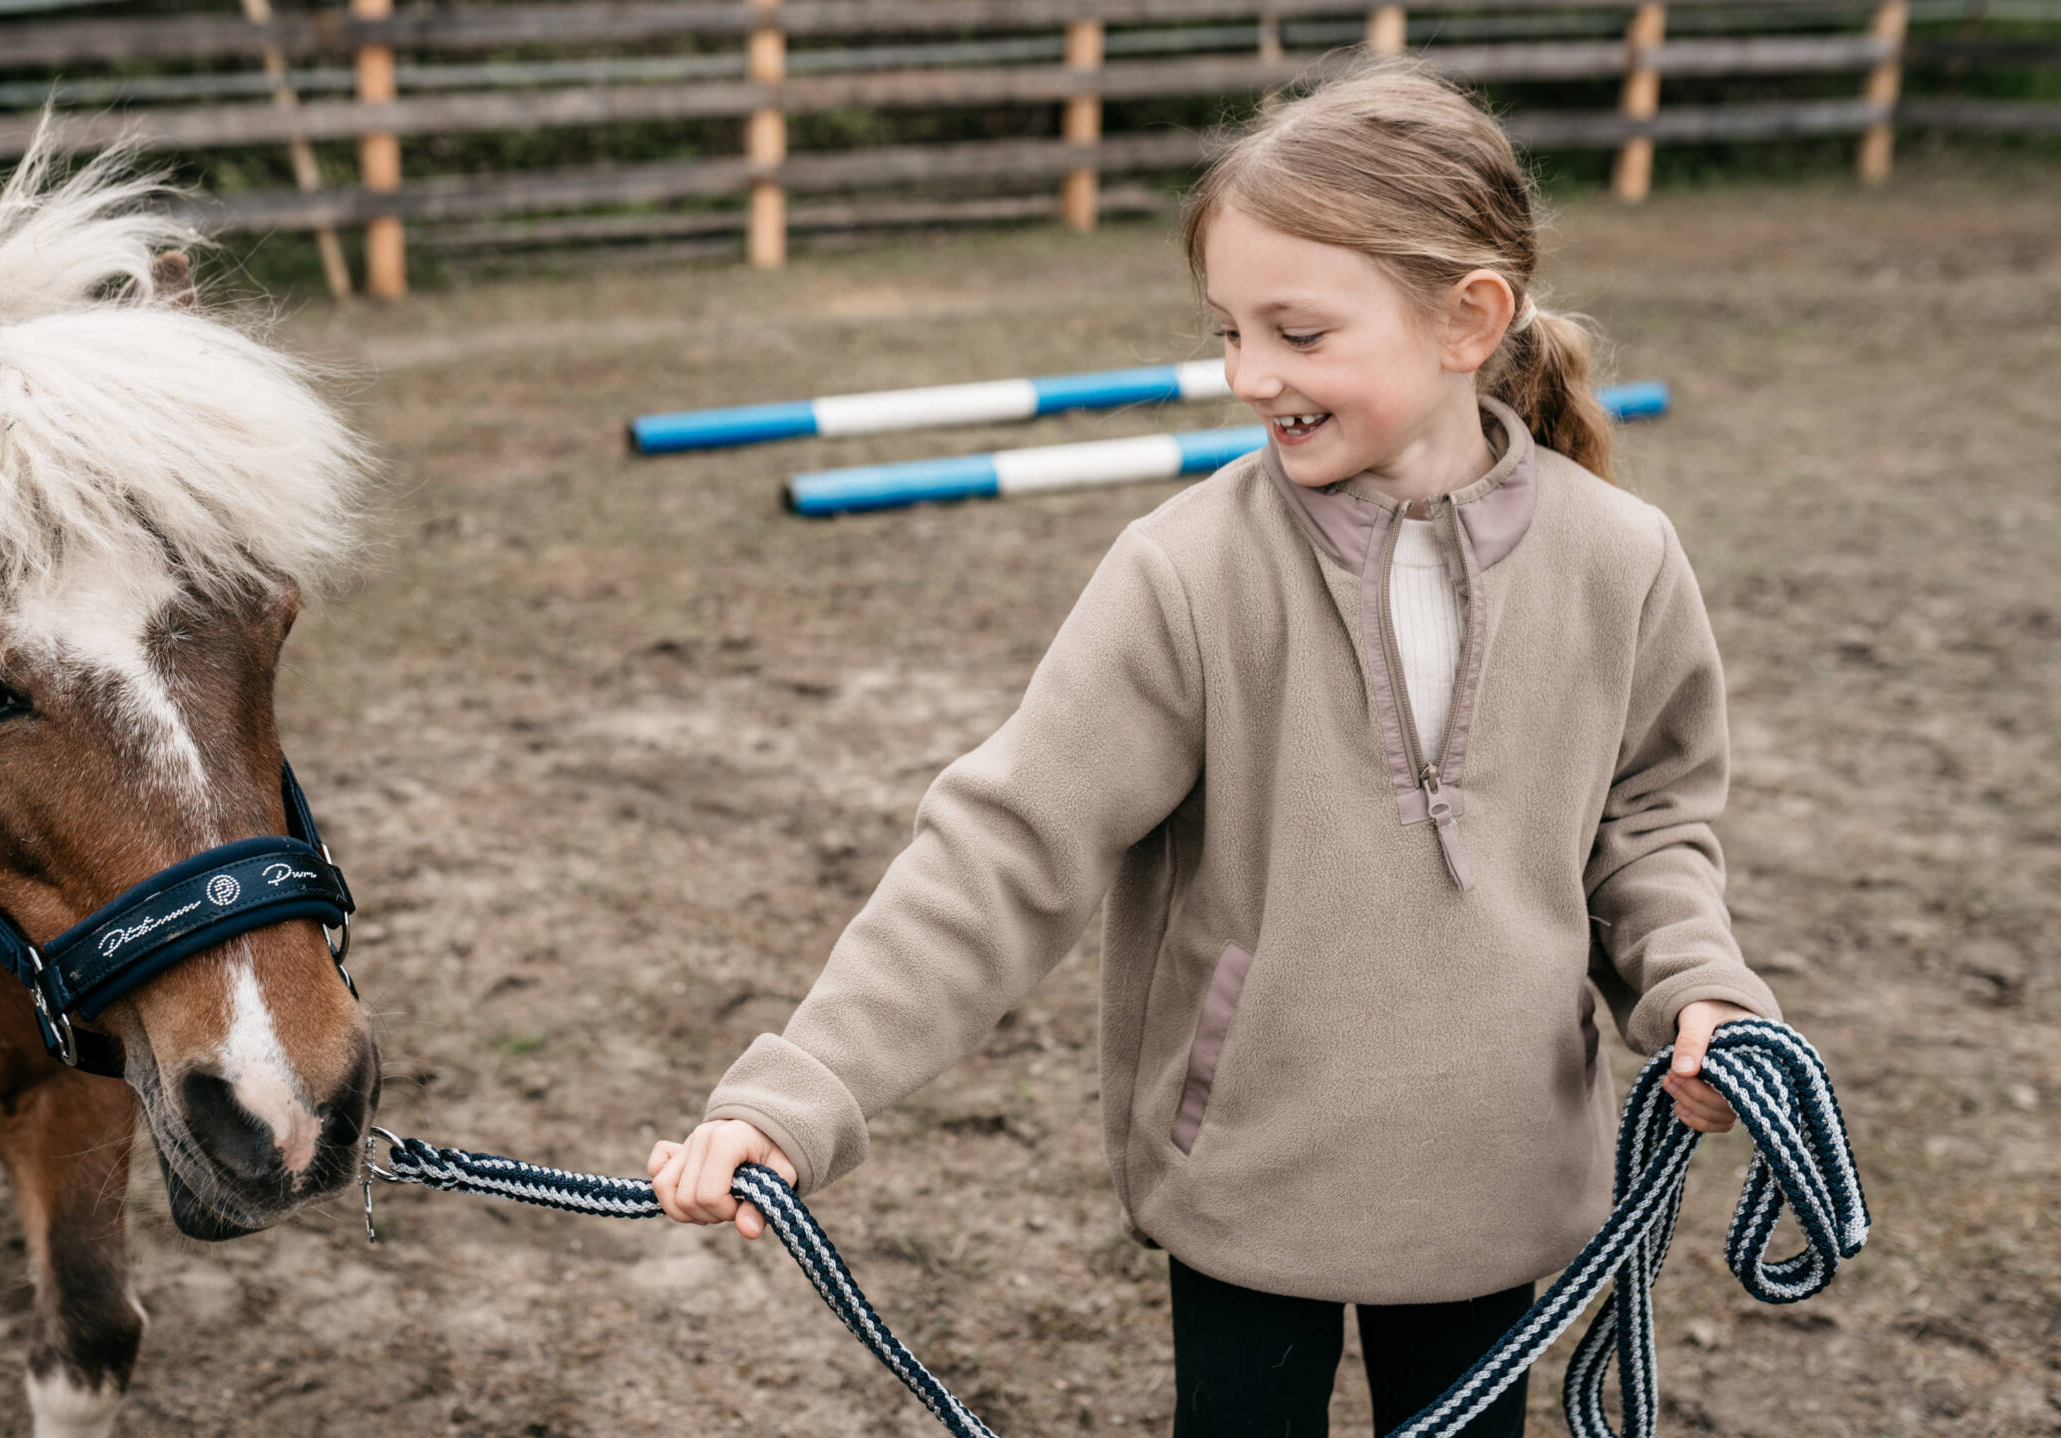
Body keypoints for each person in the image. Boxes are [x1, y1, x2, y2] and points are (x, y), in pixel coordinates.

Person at [647, 58, 1782, 1438]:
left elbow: (1650, 827)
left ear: (1467, 320)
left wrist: (1701, 990)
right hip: (1248, 1186)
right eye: (1230, 330)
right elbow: (1005, 851)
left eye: (1296, 332)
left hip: (1498, 1182)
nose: (1249, 375)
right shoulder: (1183, 574)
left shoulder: (1623, 559)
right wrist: (797, 1091)